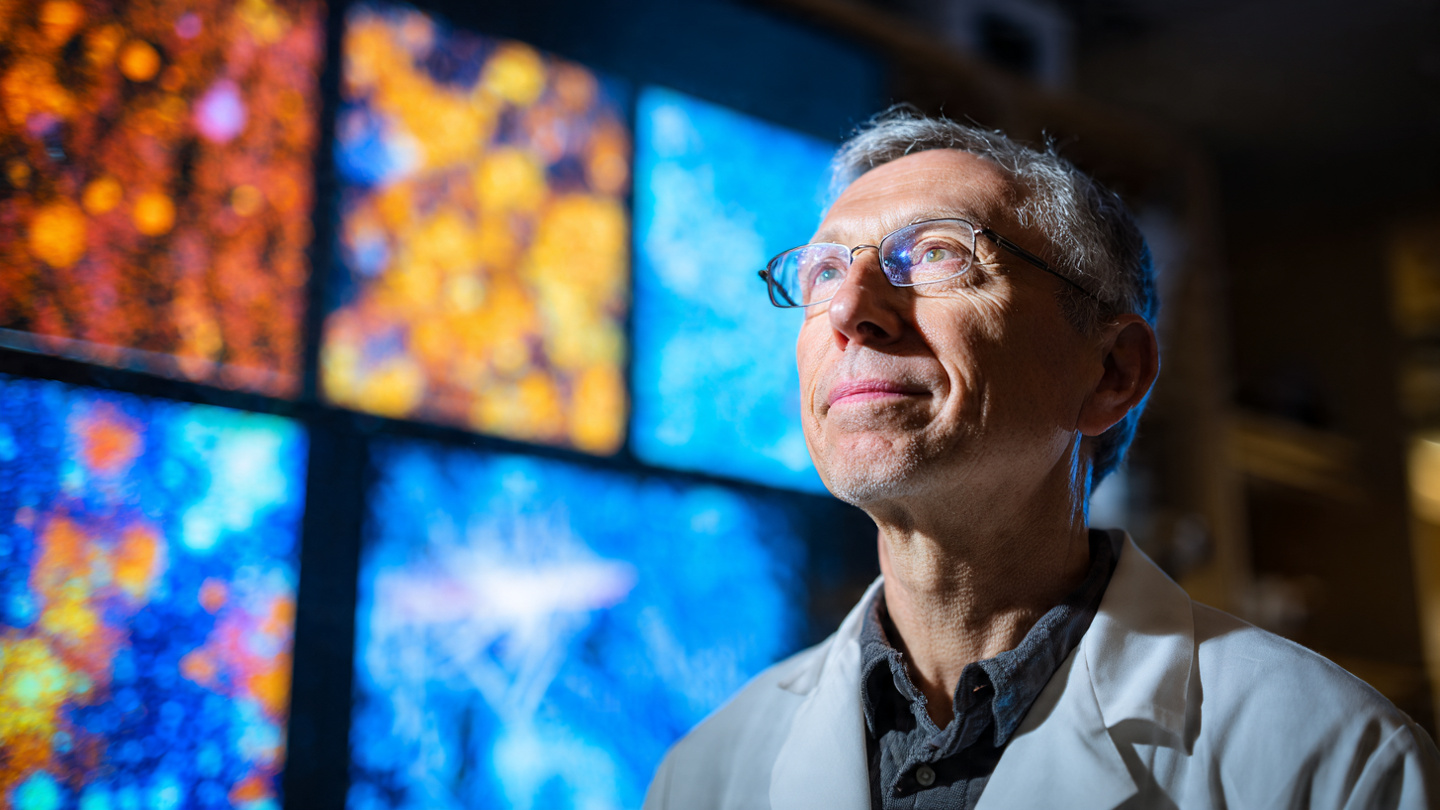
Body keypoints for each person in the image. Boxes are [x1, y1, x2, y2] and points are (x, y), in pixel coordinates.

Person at [643, 108, 1440, 809]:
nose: (850, 309)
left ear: (1111, 372)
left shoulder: (1327, 760)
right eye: (824, 271)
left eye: (936, 253)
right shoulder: (704, 773)